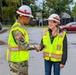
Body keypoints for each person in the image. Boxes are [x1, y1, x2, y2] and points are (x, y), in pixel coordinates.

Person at [6, 5, 37, 75]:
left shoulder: (21, 27)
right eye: (28, 17)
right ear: (22, 16)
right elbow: (24, 46)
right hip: (16, 62)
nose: (29, 19)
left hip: (21, 61)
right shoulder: (17, 30)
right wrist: (36, 47)